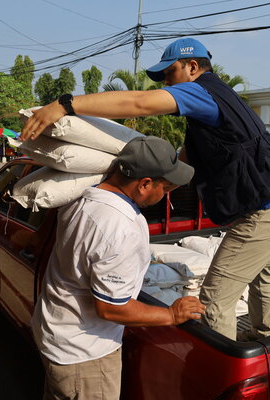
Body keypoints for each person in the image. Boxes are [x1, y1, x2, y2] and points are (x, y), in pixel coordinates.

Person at [22, 37, 270, 342]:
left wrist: (65, 105)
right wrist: (151, 183)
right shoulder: (216, 107)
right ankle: (265, 336)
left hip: (267, 211)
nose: (167, 84)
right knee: (261, 273)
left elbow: (139, 103)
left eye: (170, 74)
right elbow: (184, 159)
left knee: (213, 300)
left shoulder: (202, 92)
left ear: (192, 67)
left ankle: (225, 376)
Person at [31, 136, 205, 400]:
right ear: (145, 184)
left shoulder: (81, 196)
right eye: (166, 188)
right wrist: (170, 315)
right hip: (84, 356)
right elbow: (110, 307)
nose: (166, 196)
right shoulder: (121, 227)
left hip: (56, 336)